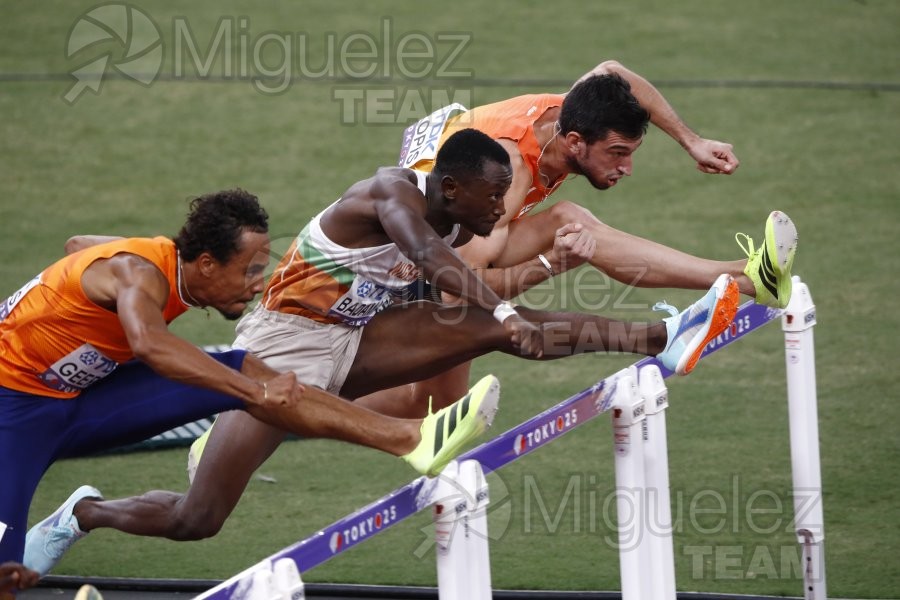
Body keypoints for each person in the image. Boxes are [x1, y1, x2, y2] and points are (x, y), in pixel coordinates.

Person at [25, 128, 740, 576]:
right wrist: (501, 302)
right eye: (493, 199)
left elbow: (495, 274)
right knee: (197, 520)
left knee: (495, 328)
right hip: (280, 351)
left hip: (356, 341)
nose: (500, 212)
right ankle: (84, 513)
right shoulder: (390, 195)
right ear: (452, 188)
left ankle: (666, 337)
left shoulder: (463, 221)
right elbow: (427, 254)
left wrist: (558, 256)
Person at [2, 189, 499, 575]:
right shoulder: (140, 274)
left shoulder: (150, 262)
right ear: (206, 265)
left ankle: (411, 437)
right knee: (5, 569)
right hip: (13, 414)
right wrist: (254, 396)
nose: (258, 283)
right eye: (250, 270)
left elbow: (76, 247)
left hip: (79, 397)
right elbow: (151, 346)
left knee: (245, 368)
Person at [372, 60, 798, 412]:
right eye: (617, 153)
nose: (626, 168)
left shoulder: (571, 110)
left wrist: (692, 142)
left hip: (451, 235)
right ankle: (313, 408)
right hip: (412, 269)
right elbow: (457, 288)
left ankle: (747, 278)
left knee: (568, 219)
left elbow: (616, 73)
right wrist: (547, 265)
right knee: (431, 402)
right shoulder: (508, 172)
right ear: (575, 142)